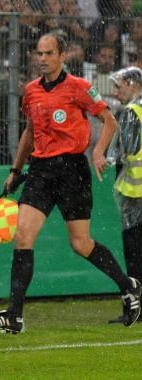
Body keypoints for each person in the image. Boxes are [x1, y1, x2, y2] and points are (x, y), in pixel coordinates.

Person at [0, 33, 142, 334]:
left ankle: (127, 285)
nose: (42, 59)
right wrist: (16, 169)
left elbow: (109, 121)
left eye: (48, 53)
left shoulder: (79, 88)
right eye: (38, 53)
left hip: (72, 170)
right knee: (23, 236)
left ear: (62, 55)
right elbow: (29, 131)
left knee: (80, 244)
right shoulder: (30, 91)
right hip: (40, 170)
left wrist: (97, 150)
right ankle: (14, 316)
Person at [107, 66, 142, 323]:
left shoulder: (132, 113)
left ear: (133, 84)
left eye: (119, 85)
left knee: (134, 254)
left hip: (135, 192)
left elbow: (121, 152)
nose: (115, 91)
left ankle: (135, 307)